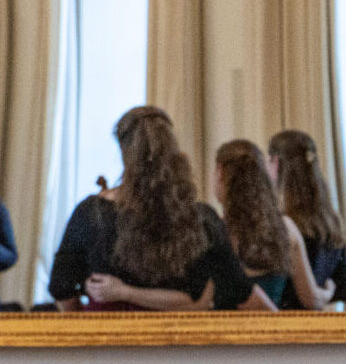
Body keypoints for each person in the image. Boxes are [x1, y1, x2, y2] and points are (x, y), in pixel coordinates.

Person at [47, 105, 268, 311]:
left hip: (110, 343)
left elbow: (61, 288)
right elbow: (237, 291)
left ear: (124, 152)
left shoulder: (91, 213)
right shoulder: (201, 218)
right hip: (180, 346)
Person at [215, 138, 322, 313]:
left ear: (220, 173)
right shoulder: (286, 228)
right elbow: (311, 300)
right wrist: (328, 291)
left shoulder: (215, 231)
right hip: (271, 335)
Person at [268, 128, 346, 307]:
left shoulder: (283, 224)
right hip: (315, 326)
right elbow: (344, 286)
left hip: (283, 326)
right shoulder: (331, 222)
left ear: (275, 163)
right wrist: (325, 294)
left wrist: (315, 296)